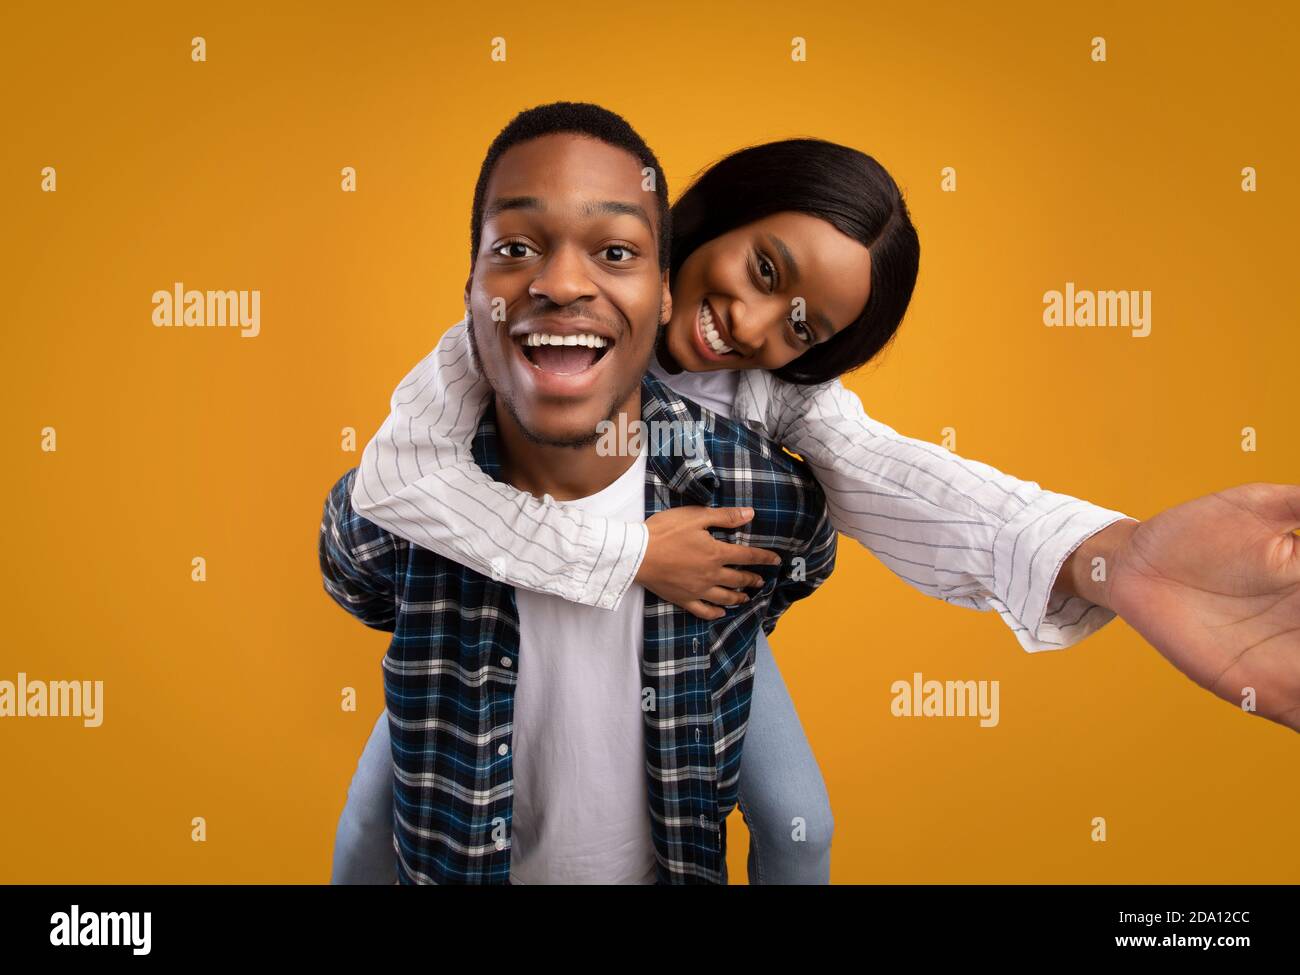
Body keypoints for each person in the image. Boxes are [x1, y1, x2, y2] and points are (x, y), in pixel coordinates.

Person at [341, 110, 1300, 886]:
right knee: (380, 818)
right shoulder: (534, 315)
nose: (751, 323)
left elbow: (905, 477)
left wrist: (1111, 553)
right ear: (714, 215)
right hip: (491, 600)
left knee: (801, 826)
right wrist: (631, 553)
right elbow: (395, 482)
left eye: (801, 326)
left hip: (695, 624)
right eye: (763, 269)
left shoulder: (778, 400)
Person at [320, 101, 838, 884]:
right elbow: (355, 572)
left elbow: (800, 559)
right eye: (519, 246)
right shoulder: (398, 512)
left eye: (617, 249)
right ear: (470, 292)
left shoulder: (753, 488)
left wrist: (716, 636)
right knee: (367, 814)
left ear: (664, 293)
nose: (562, 282)